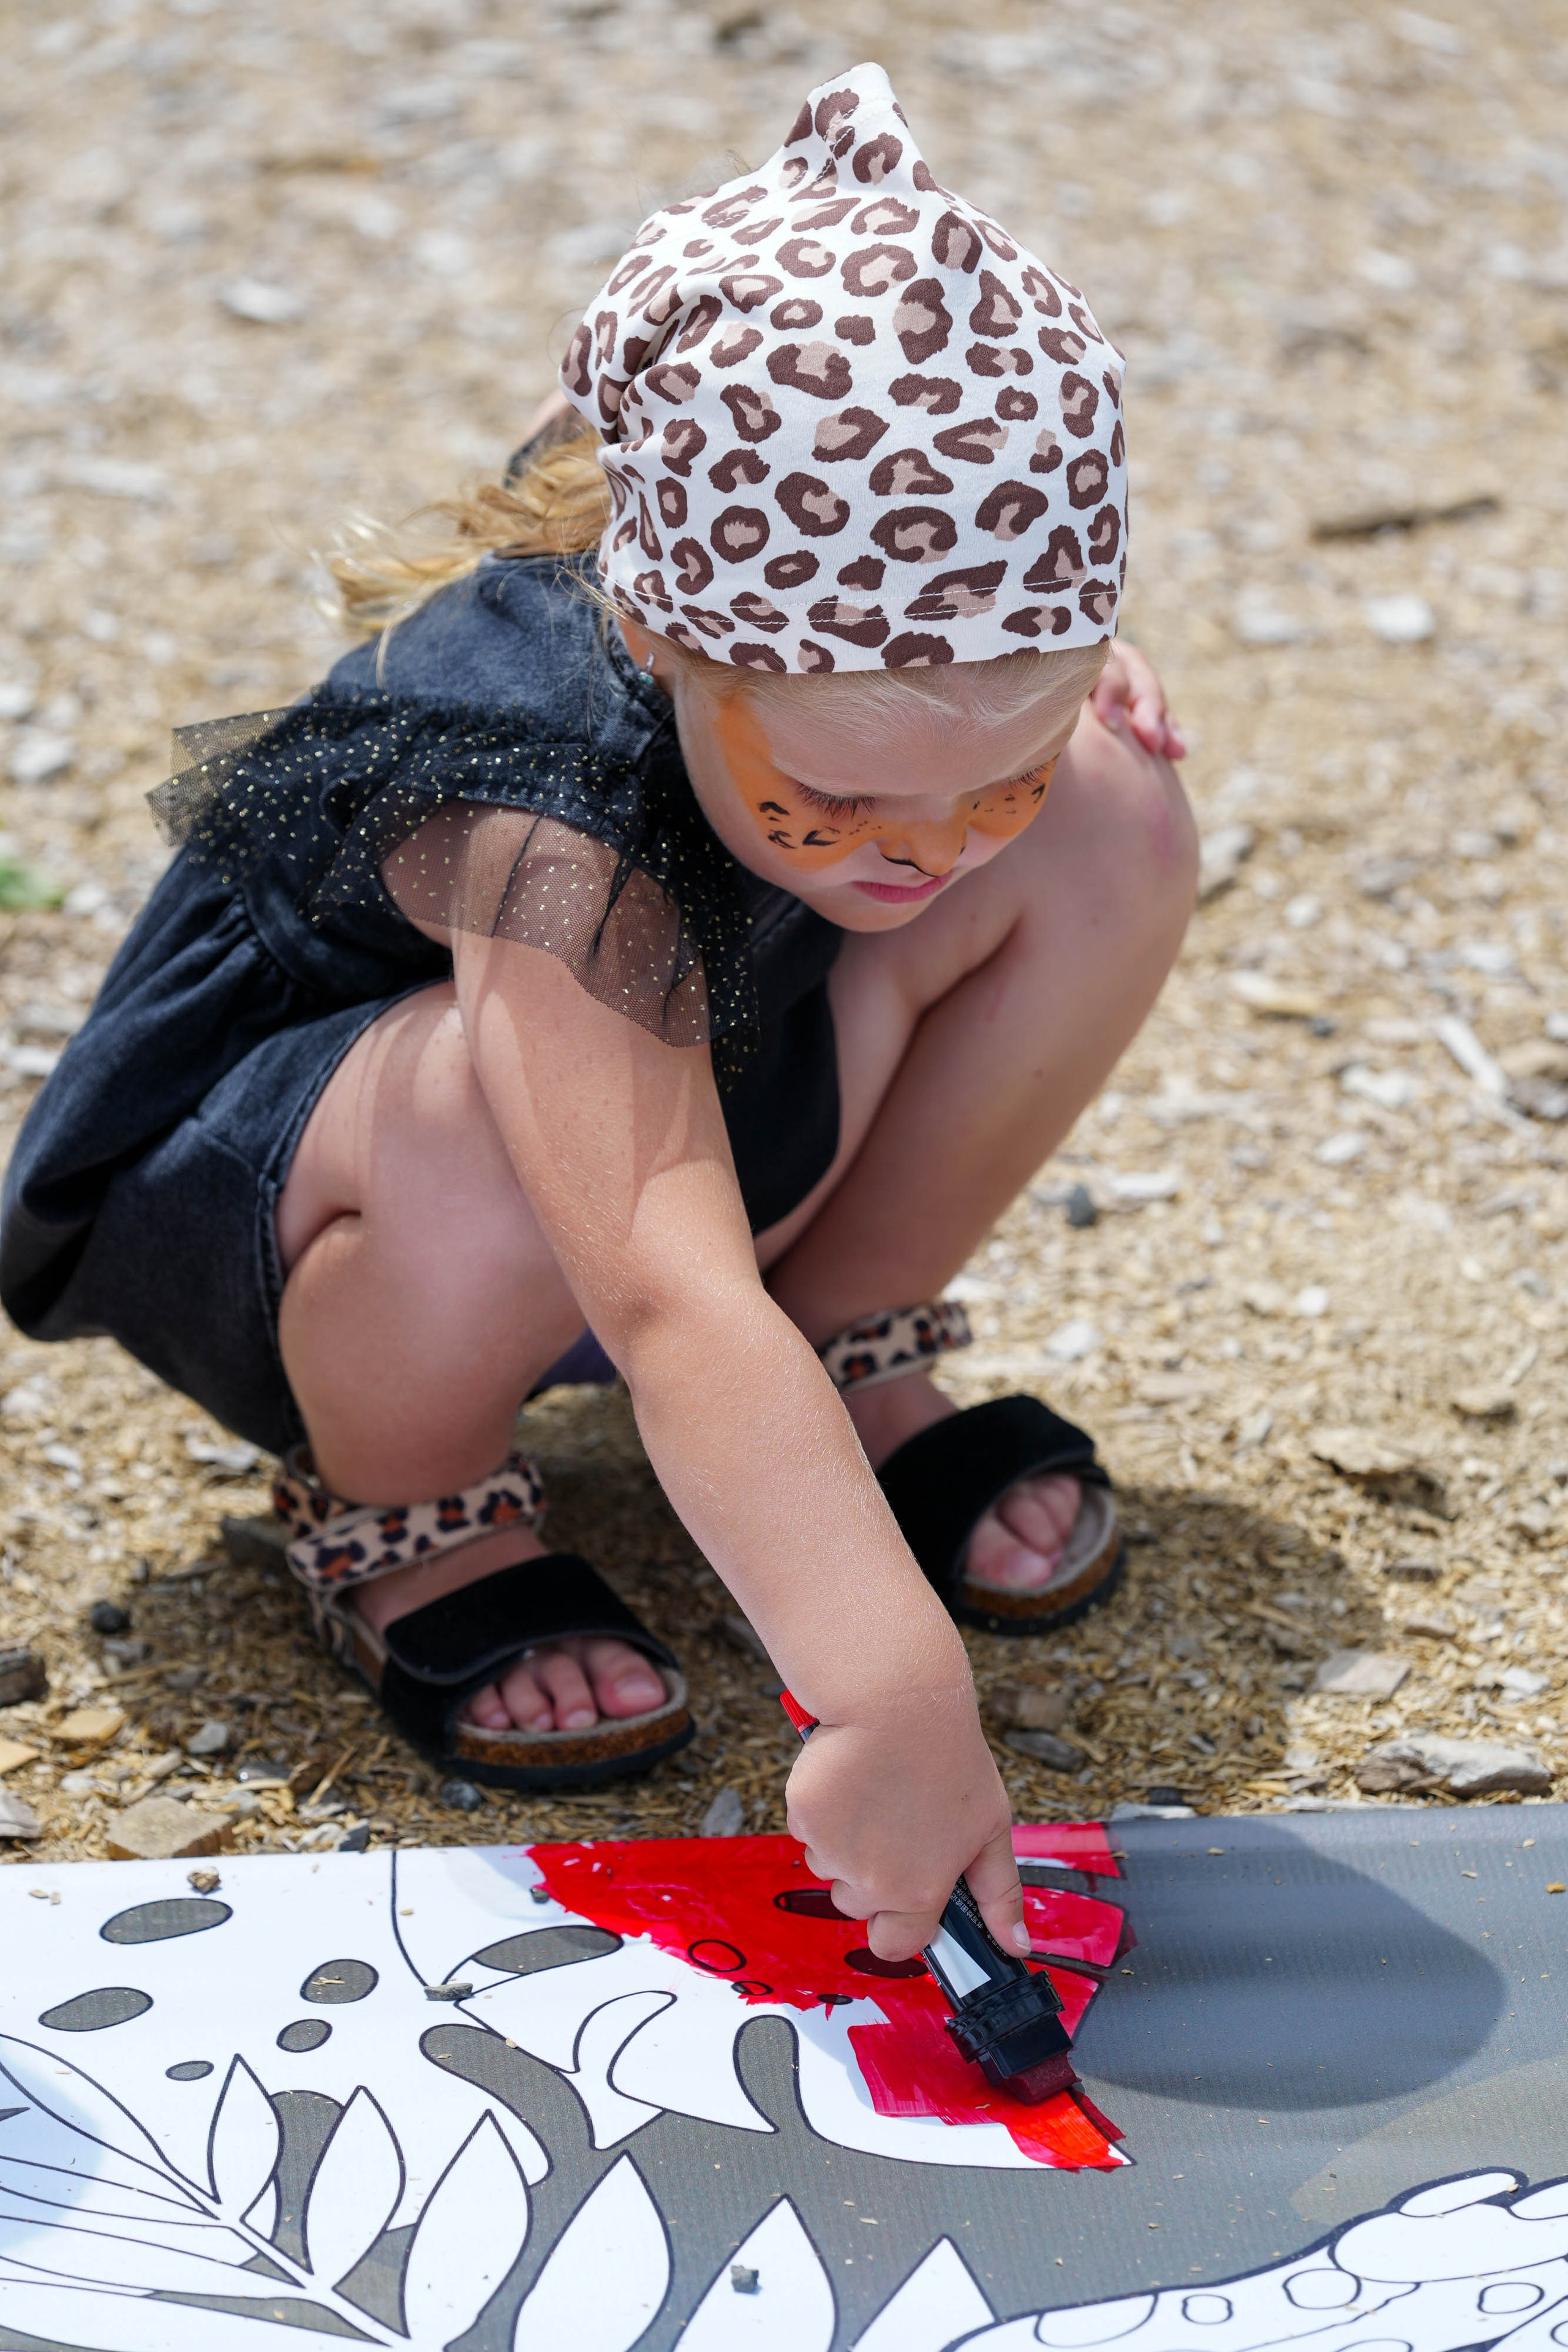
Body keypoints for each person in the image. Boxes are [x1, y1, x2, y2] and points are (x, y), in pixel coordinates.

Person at [0, 64, 1194, 1964]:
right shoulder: (533, 793)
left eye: (995, 766)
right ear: (662, 636)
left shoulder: (930, 668)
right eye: (833, 802)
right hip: (342, 1206)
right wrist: (886, 1682)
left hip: (704, 1074)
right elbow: (656, 1282)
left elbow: (952, 714)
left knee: (1125, 817)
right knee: (501, 1103)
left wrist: (1040, 739)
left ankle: (845, 1343)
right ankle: (407, 1502)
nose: (923, 852)